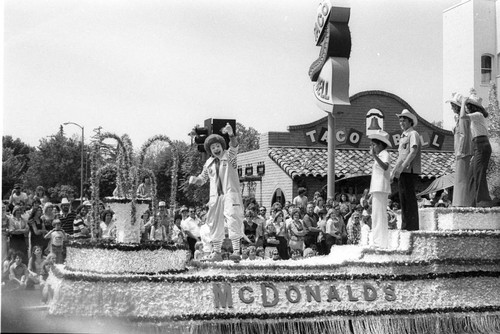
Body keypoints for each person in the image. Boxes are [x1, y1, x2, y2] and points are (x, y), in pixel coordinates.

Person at [189, 123, 248, 261]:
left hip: (230, 194)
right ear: (210, 150)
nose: (216, 148)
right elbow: (202, 179)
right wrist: (194, 179)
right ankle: (216, 252)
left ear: (222, 146)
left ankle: (236, 252)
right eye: (213, 147)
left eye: (218, 146)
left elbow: (234, 145)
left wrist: (231, 134)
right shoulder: (208, 163)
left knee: (233, 219)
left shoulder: (230, 156)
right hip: (215, 196)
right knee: (214, 222)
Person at [391, 109, 421, 231]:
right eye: (400, 121)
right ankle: (405, 225)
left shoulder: (413, 134)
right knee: (403, 198)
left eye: (404, 121)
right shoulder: (403, 136)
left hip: (410, 170)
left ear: (410, 122)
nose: (401, 123)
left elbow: (413, 152)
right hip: (403, 171)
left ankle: (411, 226)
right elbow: (401, 156)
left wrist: (403, 166)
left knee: (409, 198)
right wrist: (394, 171)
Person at [461, 91, 493, 207]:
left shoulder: (477, 115)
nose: (466, 108)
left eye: (467, 106)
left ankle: (483, 202)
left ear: (471, 107)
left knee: (479, 174)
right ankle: (472, 202)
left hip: (482, 145)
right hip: (478, 146)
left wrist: (464, 100)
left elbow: (462, 116)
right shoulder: (475, 118)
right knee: (472, 175)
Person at [447, 92, 474, 207]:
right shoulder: (460, 119)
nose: (451, 107)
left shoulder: (463, 119)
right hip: (462, 152)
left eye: (453, 105)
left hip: (463, 153)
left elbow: (463, 134)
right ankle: (461, 202)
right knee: (460, 179)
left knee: (462, 179)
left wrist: (460, 151)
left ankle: (462, 203)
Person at [368, 130, 392, 248]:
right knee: (376, 215)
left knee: (379, 215)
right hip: (377, 188)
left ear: (381, 144)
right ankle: (378, 241)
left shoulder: (385, 154)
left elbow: (385, 166)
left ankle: (379, 242)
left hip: (381, 188)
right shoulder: (380, 156)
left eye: (374, 145)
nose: (372, 147)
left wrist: (374, 156)